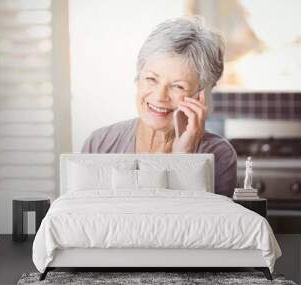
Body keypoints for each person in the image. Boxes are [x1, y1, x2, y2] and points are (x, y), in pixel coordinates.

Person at [81, 16, 237, 197]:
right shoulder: (100, 144)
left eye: (178, 86)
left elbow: (198, 224)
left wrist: (184, 158)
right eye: (151, 79)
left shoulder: (219, 156)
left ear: (201, 95)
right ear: (138, 79)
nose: (160, 96)